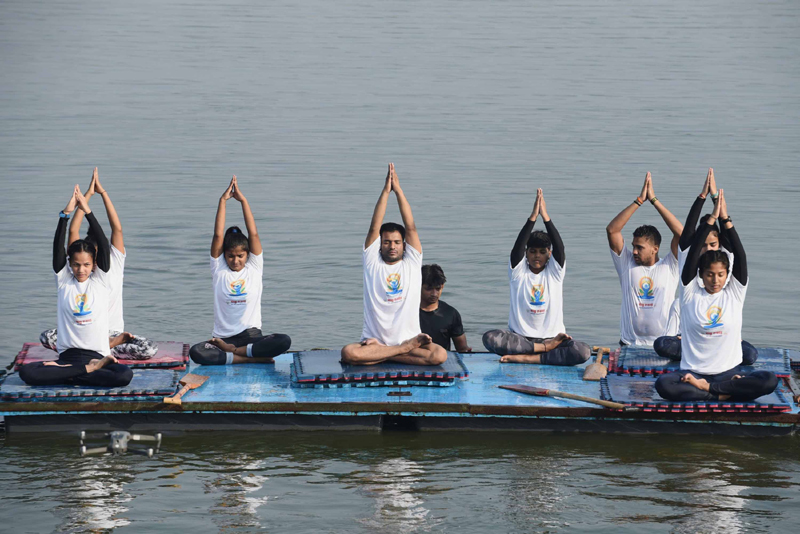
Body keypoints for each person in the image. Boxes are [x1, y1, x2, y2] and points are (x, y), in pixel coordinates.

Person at [655, 190, 777, 401]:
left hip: (728, 372)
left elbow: (740, 255)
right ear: (701, 275)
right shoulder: (690, 293)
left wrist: (725, 219)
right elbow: (691, 252)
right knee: (663, 385)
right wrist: (710, 217)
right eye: (710, 275)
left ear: (727, 275)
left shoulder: (734, 293)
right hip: (694, 372)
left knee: (769, 380)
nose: (715, 280)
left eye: (720, 275)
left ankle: (710, 390)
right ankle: (725, 393)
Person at [39, 168, 158, 359]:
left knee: (148, 348)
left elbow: (116, 229)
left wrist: (101, 194)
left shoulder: (109, 266)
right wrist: (83, 198)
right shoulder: (73, 275)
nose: (85, 267)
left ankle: (108, 344)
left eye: (90, 262)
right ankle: (100, 346)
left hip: (111, 333)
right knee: (46, 337)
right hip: (79, 335)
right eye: (80, 263)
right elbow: (72, 232)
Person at [19, 185, 132, 387]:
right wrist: (65, 215)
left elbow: (104, 244)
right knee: (26, 372)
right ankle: (87, 370)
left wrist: (88, 211)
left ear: (94, 264)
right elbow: (58, 247)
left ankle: (68, 374)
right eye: (76, 265)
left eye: (86, 265)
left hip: (97, 354)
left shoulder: (100, 280)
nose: (81, 270)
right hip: (68, 357)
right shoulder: (64, 281)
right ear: (69, 263)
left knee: (124, 375)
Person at [341, 164, 447, 366]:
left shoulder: (412, 262)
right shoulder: (372, 263)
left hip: (407, 340)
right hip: (377, 341)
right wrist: (385, 192)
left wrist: (398, 191)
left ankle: (384, 354)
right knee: (349, 353)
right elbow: (374, 227)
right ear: (379, 245)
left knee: (439, 355)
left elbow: (411, 227)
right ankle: (399, 351)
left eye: (397, 242)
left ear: (404, 245)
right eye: (387, 242)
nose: (392, 246)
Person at [654, 169, 757, 364]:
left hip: (721, 334)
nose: (708, 249)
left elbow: (737, 249)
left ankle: (721, 348)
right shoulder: (689, 263)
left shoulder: (725, 259)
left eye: (713, 244)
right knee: (662, 344)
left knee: (750, 355)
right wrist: (702, 197)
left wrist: (717, 202)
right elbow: (689, 233)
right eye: (703, 245)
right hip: (694, 333)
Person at [189, 176, 291, 365]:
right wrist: (223, 200)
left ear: (247, 255)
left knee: (284, 340)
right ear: (224, 256)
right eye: (230, 256)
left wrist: (243, 201)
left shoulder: (254, 267)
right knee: (196, 352)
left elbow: (254, 234)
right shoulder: (219, 269)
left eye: (240, 256)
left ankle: (235, 354)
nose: (235, 261)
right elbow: (218, 235)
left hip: (252, 336)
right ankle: (249, 359)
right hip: (223, 339)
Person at [482, 189, 591, 364]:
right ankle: (540, 351)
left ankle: (529, 358)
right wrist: (533, 217)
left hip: (553, 339)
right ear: (526, 253)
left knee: (583, 352)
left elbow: (560, 247)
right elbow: (517, 248)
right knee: (490, 338)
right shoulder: (518, 272)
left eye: (542, 252)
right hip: (521, 340)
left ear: (549, 254)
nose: (537, 256)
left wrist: (546, 217)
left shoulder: (555, 273)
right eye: (532, 251)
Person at [606, 172, 684, 346]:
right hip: (630, 343)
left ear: (655, 249)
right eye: (633, 246)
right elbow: (612, 230)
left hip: (664, 345)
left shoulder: (670, 265)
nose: (634, 251)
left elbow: (681, 234)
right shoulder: (626, 263)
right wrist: (639, 201)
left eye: (639, 247)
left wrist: (654, 201)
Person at [419, 264, 472, 352]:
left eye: (438, 289)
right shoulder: (406, 311)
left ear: (442, 286)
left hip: (442, 359)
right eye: (429, 289)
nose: (434, 294)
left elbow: (462, 348)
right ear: (418, 286)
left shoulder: (450, 314)